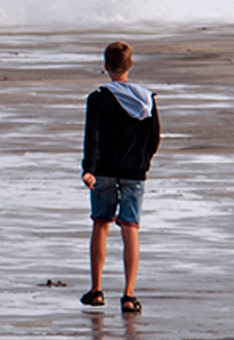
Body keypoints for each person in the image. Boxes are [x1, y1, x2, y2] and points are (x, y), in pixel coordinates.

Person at [80, 40, 160, 314]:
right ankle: (128, 294)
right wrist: (143, 162)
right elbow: (154, 138)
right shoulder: (146, 99)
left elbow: (92, 137)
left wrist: (88, 168)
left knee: (100, 225)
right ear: (131, 65)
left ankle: (97, 289)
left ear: (106, 67)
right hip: (134, 171)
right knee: (130, 229)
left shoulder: (98, 98)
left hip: (103, 170)